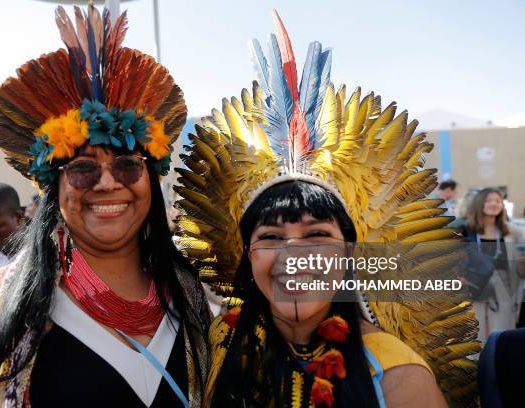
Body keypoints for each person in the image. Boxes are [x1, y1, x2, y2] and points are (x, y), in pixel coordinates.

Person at [174, 12, 479, 407]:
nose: (294, 255)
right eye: (271, 237)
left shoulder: (397, 374)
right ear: (247, 257)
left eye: (317, 234)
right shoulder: (218, 350)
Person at [0, 5, 209, 407]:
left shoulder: (190, 293)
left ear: (150, 178)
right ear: (53, 186)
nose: (107, 183)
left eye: (127, 165)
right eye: (82, 169)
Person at [460, 188, 525, 341]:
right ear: (479, 204)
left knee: (502, 339)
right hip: (474, 290)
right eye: (489, 200)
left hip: (504, 293)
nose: (494, 204)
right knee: (475, 340)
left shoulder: (514, 232)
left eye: (497, 201)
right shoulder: (464, 231)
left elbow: (520, 271)